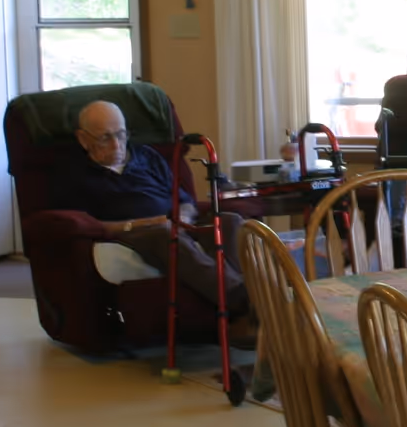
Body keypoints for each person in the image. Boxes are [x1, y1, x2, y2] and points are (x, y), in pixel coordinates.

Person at [50, 100, 255, 347]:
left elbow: (184, 199)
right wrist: (144, 223)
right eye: (105, 138)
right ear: (83, 139)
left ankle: (236, 317)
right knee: (163, 233)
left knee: (229, 221)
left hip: (175, 222)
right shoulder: (73, 173)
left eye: (121, 134)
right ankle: (248, 303)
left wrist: (185, 218)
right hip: (132, 232)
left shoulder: (147, 156)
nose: (116, 144)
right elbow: (87, 224)